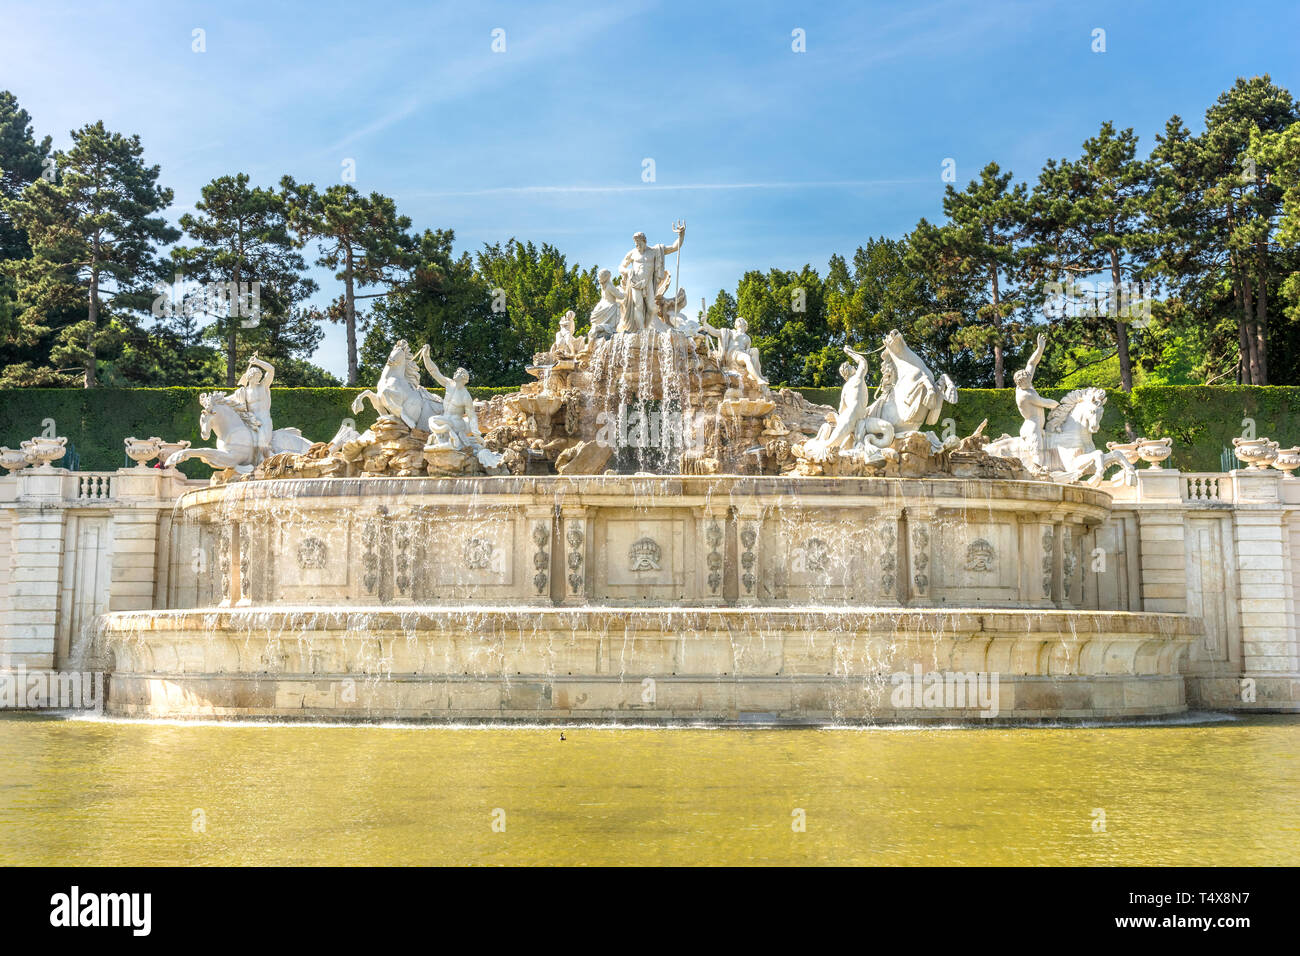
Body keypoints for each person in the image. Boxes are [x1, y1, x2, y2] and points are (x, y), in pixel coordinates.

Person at [618, 224, 684, 332]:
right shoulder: (632, 253)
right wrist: (627, 271)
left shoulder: (654, 251)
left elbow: (674, 247)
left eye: (639, 243)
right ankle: (641, 330)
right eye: (636, 243)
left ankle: (647, 328)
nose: (637, 245)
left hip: (648, 283)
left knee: (652, 308)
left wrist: (681, 234)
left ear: (644, 241)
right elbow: (621, 267)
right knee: (638, 305)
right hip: (635, 283)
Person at [1014, 334, 1058, 470]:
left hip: (1038, 424)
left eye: (1029, 380)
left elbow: (1031, 363)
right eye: (1026, 381)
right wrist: (1058, 405)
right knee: (1037, 447)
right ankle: (1038, 469)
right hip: (1032, 425)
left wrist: (1040, 349)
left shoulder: (1026, 382)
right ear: (1019, 384)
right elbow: (1044, 402)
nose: (1029, 382)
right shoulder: (1025, 394)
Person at [231, 354, 275, 464]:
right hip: (251, 423)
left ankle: (269, 462)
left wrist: (257, 362)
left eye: (259, 377)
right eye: (256, 377)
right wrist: (215, 401)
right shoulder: (243, 392)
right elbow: (229, 400)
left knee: (261, 444)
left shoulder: (263, 386)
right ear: (250, 377)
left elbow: (271, 370)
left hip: (264, 421)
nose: (258, 379)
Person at [588, 269, 624, 341]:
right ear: (608, 276)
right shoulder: (609, 286)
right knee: (610, 327)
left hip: (601, 306)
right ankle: (600, 329)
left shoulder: (603, 286)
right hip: (610, 308)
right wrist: (622, 289)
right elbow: (621, 296)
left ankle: (598, 330)